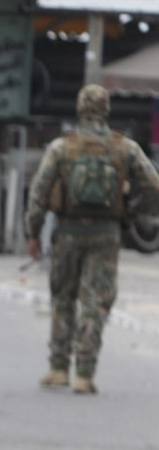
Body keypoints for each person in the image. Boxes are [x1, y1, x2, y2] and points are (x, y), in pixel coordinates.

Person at [26, 84, 159, 394]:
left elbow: (39, 192)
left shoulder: (61, 147)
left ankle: (58, 368)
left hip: (68, 232)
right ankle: (85, 373)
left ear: (79, 109)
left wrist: (32, 232)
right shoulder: (124, 147)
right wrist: (133, 211)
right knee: (95, 302)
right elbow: (154, 186)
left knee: (63, 297)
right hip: (107, 233)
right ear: (106, 110)